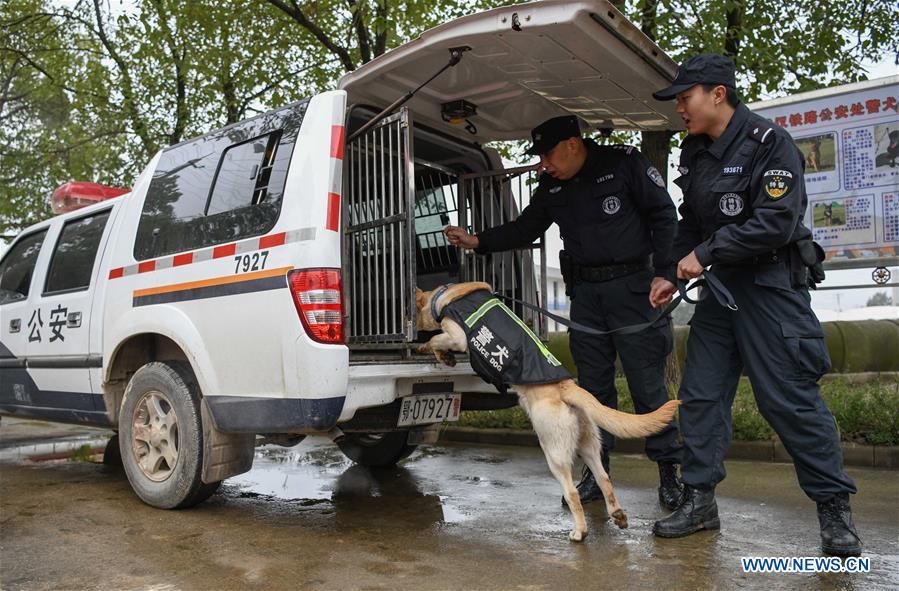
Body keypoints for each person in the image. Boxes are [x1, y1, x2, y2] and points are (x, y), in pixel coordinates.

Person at [649, 54, 861, 556]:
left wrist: (704, 254)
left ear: (717, 94)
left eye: (685, 97)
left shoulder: (771, 144)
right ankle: (699, 502)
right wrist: (668, 267)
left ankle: (835, 512)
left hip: (770, 287)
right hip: (721, 294)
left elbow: (776, 223)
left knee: (788, 400)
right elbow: (693, 223)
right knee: (699, 396)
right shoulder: (695, 151)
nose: (679, 107)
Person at [443, 115, 684, 510]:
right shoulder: (552, 184)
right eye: (538, 157)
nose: (543, 164)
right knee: (590, 389)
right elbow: (525, 229)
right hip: (587, 294)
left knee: (647, 385)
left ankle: (669, 474)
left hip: (635, 289)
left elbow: (663, 217)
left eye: (548, 154)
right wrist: (476, 240)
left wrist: (666, 273)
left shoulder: (624, 164)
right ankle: (595, 474)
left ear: (573, 144)